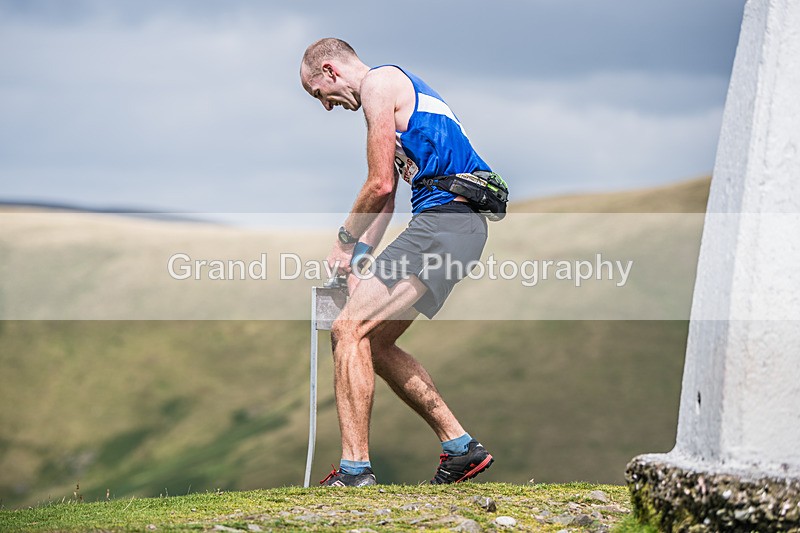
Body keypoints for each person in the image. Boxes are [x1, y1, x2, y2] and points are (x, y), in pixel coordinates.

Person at [300, 38, 496, 486]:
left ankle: (354, 470)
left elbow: (380, 184)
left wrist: (344, 242)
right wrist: (358, 262)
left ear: (330, 70)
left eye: (319, 94)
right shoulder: (388, 94)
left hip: (443, 224)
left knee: (348, 329)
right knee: (376, 342)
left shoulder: (379, 83)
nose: (327, 107)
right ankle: (461, 448)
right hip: (454, 227)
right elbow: (386, 206)